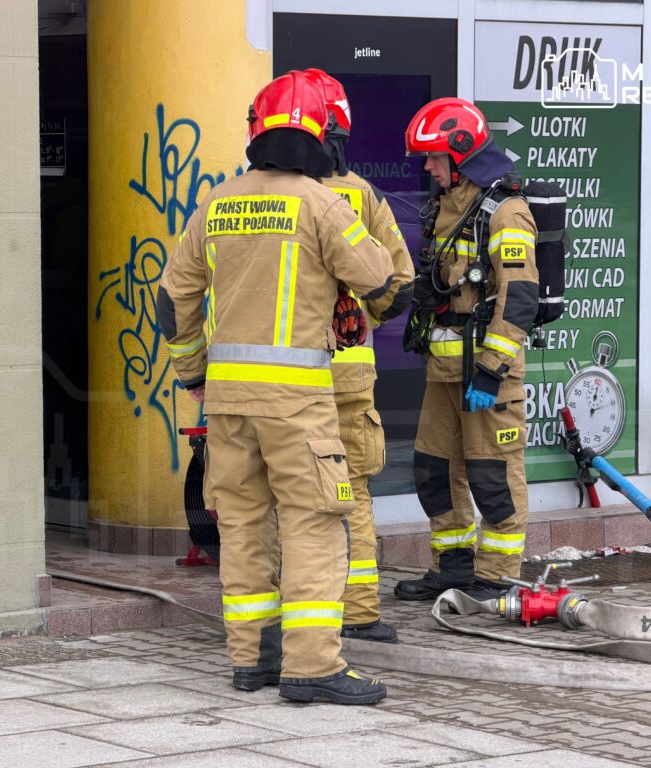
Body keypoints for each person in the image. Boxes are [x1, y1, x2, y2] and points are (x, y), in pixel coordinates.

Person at [158, 71, 394, 705]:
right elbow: (377, 279)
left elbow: (173, 294)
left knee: (242, 524)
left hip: (228, 401)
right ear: (321, 134)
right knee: (315, 523)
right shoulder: (322, 205)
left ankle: (251, 660)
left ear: (255, 132)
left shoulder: (217, 202)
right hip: (297, 404)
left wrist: (193, 372)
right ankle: (312, 667)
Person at [393, 97, 538, 601]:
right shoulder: (445, 209)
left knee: (492, 479)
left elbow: (519, 296)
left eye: (434, 158)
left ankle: (497, 578)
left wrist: (492, 370)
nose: (428, 167)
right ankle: (452, 568)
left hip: (486, 377)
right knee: (435, 472)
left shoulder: (505, 212)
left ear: (461, 154)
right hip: (443, 372)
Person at [301, 68, 415, 644]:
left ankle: (291, 617)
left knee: (290, 499)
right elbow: (400, 280)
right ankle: (359, 611)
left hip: (283, 382)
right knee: (353, 494)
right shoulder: (359, 195)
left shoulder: (257, 195)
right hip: (348, 378)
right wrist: (363, 316)